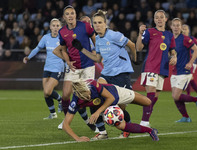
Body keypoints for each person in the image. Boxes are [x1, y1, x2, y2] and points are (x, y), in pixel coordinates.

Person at [72, 10, 137, 138]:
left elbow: (132, 45)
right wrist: (82, 49)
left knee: (120, 108)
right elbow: (97, 59)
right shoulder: (99, 40)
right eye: (95, 23)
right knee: (92, 96)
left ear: (105, 23)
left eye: (100, 22)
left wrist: (134, 59)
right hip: (106, 74)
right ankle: (102, 131)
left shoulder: (114, 35)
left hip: (121, 74)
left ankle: (127, 128)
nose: (97, 25)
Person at [62, 79, 159, 142]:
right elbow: (65, 125)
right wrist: (77, 139)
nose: (89, 96)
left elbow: (111, 98)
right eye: (85, 97)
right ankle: (150, 131)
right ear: (79, 96)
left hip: (115, 93)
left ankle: (122, 107)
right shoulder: (75, 102)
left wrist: (97, 112)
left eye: (89, 94)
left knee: (148, 102)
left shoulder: (93, 84)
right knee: (121, 125)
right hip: (107, 106)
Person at [53, 6, 99, 132]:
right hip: (73, 67)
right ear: (64, 17)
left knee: (87, 95)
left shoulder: (84, 25)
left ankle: (96, 123)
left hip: (88, 65)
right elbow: (62, 49)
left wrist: (97, 52)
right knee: (66, 95)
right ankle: (66, 120)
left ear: (75, 15)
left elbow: (95, 39)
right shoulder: (62, 32)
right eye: (67, 14)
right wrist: (67, 61)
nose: (70, 15)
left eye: (72, 13)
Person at [136, 10, 177, 127]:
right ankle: (144, 123)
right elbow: (139, 48)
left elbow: (173, 51)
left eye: (161, 17)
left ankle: (145, 118)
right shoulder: (149, 32)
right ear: (154, 20)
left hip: (162, 69)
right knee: (151, 94)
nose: (159, 19)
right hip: (150, 66)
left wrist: (174, 57)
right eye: (157, 17)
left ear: (166, 19)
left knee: (154, 98)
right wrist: (140, 34)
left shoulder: (169, 35)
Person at [23, 18, 64, 119]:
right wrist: (28, 57)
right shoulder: (46, 38)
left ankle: (60, 100)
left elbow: (68, 53)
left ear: (61, 27)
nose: (55, 28)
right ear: (50, 27)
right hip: (47, 68)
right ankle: (53, 114)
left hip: (58, 68)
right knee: (46, 93)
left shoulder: (63, 39)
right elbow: (37, 48)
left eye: (57, 26)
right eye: (53, 26)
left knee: (47, 91)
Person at [170, 18, 197, 122]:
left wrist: (191, 62)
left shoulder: (185, 39)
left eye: (178, 25)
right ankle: (186, 117)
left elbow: (196, 50)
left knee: (176, 95)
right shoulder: (171, 39)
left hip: (184, 71)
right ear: (171, 27)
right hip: (175, 71)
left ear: (181, 27)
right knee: (175, 98)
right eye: (174, 25)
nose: (176, 27)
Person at [182, 24, 197, 96]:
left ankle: (190, 94)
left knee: (189, 78)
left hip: (192, 61)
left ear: (189, 31)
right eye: (183, 28)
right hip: (184, 61)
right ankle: (192, 94)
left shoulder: (192, 39)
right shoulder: (180, 39)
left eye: (186, 29)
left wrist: (195, 55)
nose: (184, 30)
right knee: (188, 78)